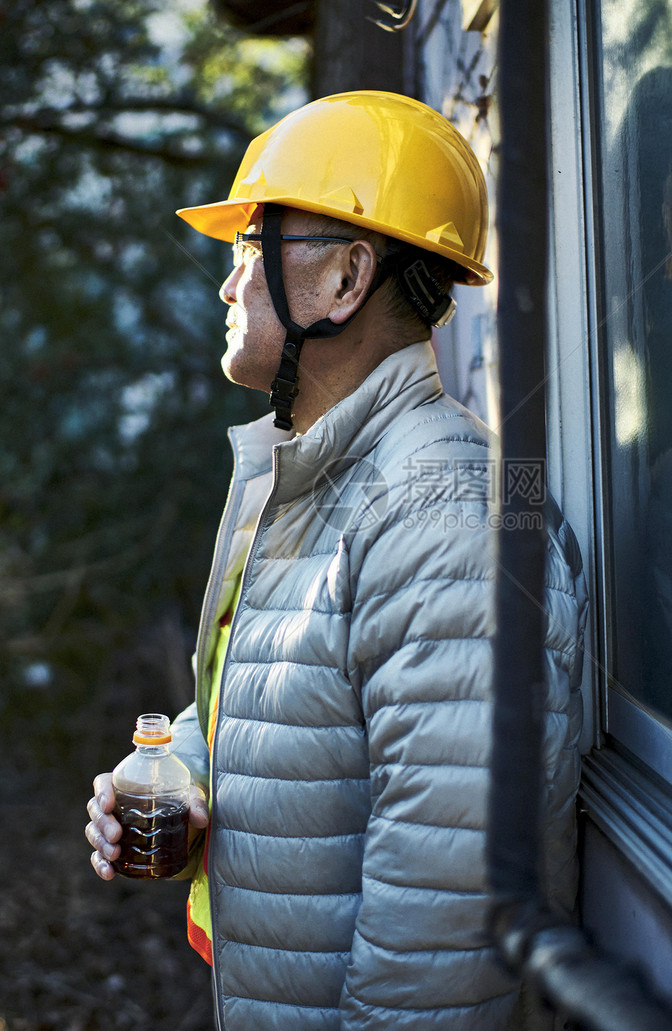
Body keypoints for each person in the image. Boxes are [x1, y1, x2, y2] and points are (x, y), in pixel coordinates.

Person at [85, 90, 588, 1030]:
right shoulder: (314, 478)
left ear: (347, 278)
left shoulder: (445, 517)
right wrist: (184, 772)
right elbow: (266, 693)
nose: (229, 282)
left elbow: (447, 924)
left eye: (253, 247)